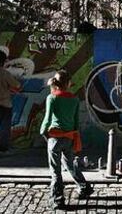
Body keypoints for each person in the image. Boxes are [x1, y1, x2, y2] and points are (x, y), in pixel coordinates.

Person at [40, 69, 93, 210]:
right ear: (68, 83)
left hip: (54, 138)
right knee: (69, 164)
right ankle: (84, 187)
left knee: (55, 171)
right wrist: (74, 137)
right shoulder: (75, 99)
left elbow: (47, 119)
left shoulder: (52, 98)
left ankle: (58, 200)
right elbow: (76, 123)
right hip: (69, 138)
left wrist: (43, 133)